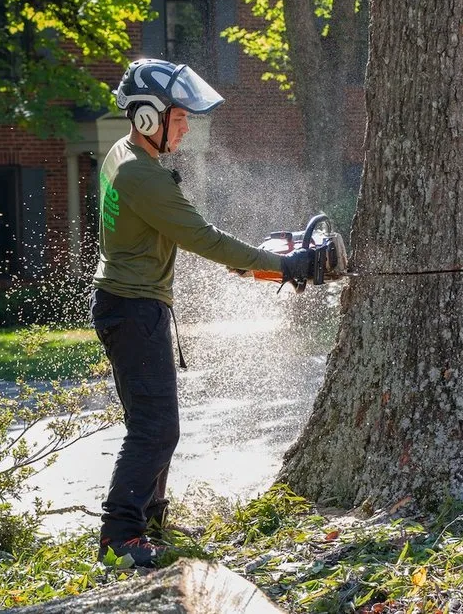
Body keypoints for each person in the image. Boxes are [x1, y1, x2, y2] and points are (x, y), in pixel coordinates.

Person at [91, 58, 315, 567]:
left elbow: (186, 235)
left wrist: (254, 263)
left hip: (128, 306)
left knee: (153, 424)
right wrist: (285, 265)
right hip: (134, 310)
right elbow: (204, 238)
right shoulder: (140, 174)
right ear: (147, 116)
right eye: (180, 117)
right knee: (155, 428)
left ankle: (149, 522)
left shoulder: (124, 153)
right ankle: (120, 535)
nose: (187, 128)